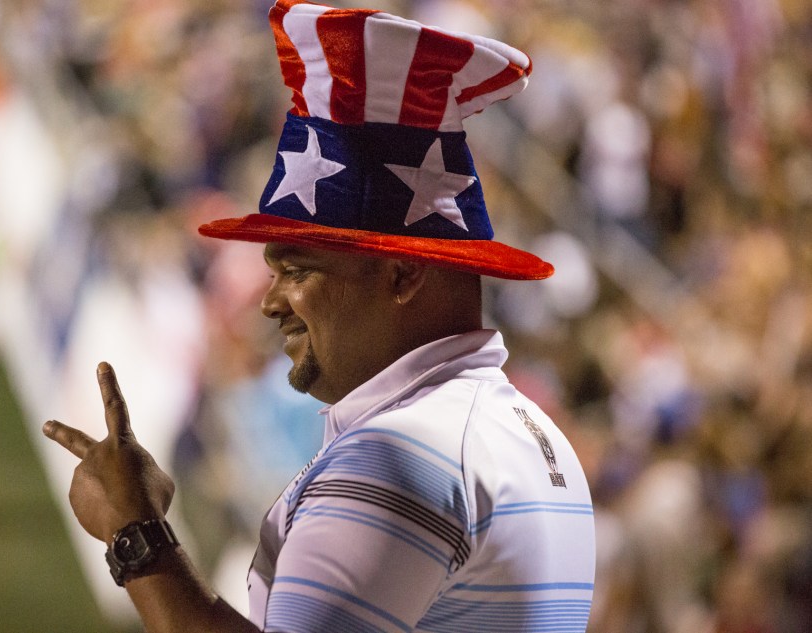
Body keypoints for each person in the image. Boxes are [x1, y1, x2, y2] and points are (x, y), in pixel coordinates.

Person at [43, 0, 596, 631]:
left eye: (298, 271)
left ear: (405, 272)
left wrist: (134, 535)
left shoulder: (401, 458)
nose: (269, 300)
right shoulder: (536, 439)